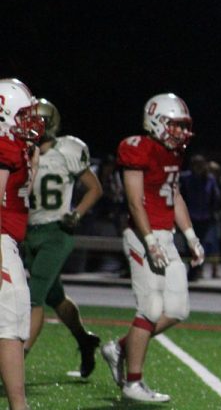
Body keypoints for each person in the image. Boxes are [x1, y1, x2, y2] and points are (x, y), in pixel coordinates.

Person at [101, 93, 205, 403]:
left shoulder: (172, 153)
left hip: (166, 236)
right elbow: (135, 201)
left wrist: (191, 237)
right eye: (175, 126)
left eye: (183, 127)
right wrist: (148, 241)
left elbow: (174, 195)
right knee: (150, 309)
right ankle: (133, 383)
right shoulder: (137, 148)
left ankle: (119, 348)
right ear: (156, 121)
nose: (181, 133)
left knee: (176, 310)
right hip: (142, 235)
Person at [23, 98, 104, 377]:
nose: (34, 127)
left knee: (33, 299)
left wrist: (77, 213)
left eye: (39, 121)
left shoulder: (67, 149)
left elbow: (95, 188)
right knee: (55, 296)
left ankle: (15, 361)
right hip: (29, 233)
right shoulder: (23, 151)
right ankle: (84, 339)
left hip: (57, 232)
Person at [0, 78, 45, 410]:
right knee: (12, 321)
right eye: (23, 115)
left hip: (9, 238)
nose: (31, 122)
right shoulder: (4, 147)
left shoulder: (21, 147)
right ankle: (19, 406)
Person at [180, 154, 220, 280]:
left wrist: (213, 212)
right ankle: (192, 269)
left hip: (204, 218)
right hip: (188, 217)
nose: (198, 168)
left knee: (199, 244)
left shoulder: (210, 180)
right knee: (188, 245)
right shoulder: (185, 178)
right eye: (196, 165)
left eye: (200, 165)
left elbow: (215, 197)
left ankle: (194, 271)